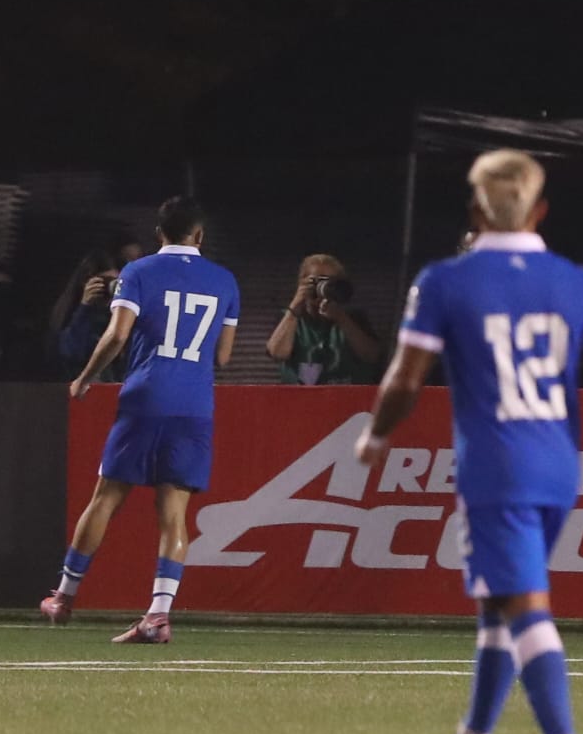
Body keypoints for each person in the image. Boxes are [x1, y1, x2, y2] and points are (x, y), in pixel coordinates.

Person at [354, 149, 583, 734]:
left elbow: (406, 379)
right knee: (498, 601)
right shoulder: (579, 282)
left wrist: (376, 436)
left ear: (473, 210)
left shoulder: (445, 281)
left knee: (523, 604)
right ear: (540, 210)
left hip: (497, 468)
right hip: (558, 469)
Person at [39, 197, 241, 645]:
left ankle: (64, 597)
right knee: (174, 516)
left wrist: (84, 378)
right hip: (194, 406)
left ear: (159, 233)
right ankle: (158, 616)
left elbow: (118, 334)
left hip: (146, 398)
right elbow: (223, 356)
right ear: (200, 236)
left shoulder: (138, 273)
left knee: (106, 497)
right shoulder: (225, 280)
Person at [266, 253, 382, 384]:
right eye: (317, 281)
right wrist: (295, 306)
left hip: (344, 398)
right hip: (299, 399)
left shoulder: (354, 318)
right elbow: (278, 353)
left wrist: (341, 318)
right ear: (302, 283)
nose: (325, 287)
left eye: (330, 282)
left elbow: (372, 356)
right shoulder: (290, 319)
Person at [48, 248, 124, 381]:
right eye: (105, 281)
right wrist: (85, 307)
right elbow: (72, 351)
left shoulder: (120, 315)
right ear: (86, 282)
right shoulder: (70, 311)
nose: (110, 286)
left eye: (115, 281)